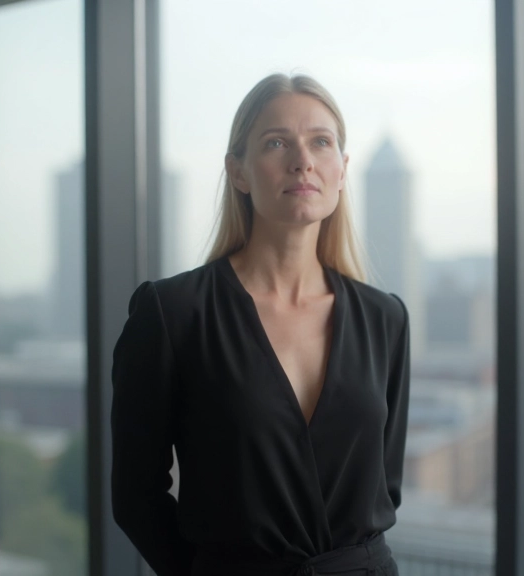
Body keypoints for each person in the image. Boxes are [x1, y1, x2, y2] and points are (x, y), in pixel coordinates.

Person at [111, 73, 410, 576]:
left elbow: (387, 488)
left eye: (321, 142)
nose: (303, 160)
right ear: (239, 172)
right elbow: (135, 495)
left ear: (341, 170)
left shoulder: (384, 318)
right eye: (277, 143)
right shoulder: (172, 314)